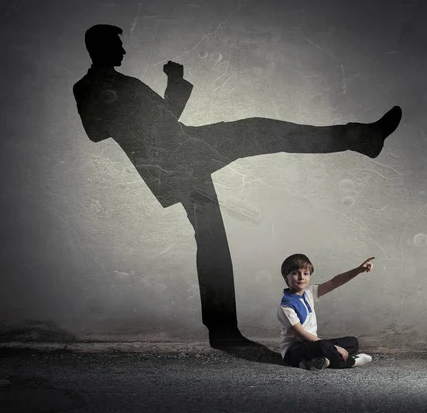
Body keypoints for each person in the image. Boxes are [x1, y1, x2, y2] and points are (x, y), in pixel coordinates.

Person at [73, 24, 402, 348]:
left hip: (183, 152)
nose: (123, 49)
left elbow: (164, 120)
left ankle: (222, 329)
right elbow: (97, 131)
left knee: (214, 236)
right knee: (258, 133)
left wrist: (172, 85)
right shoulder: (88, 87)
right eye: (117, 43)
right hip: (175, 160)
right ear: (100, 47)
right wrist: (163, 86)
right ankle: (361, 137)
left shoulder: (118, 83)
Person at [277, 253, 375, 369]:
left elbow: (334, 282)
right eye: (295, 273)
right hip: (293, 351)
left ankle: (310, 363)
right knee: (324, 347)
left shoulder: (309, 292)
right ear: (285, 277)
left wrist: (358, 270)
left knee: (352, 342)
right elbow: (302, 335)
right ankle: (351, 361)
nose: (301, 277)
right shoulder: (286, 305)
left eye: (305, 273)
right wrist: (334, 347)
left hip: (312, 345)